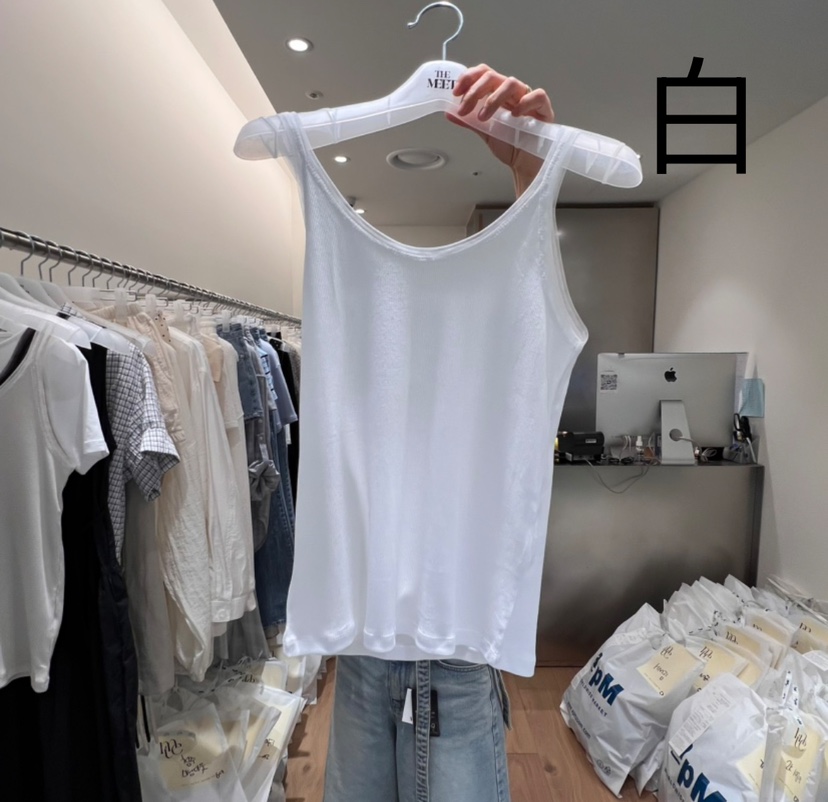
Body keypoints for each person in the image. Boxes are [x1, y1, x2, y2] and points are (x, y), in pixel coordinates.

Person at [319, 65, 556, 802]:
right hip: (363, 646)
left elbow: (536, 320)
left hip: (458, 649)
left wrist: (533, 177)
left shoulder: (501, 324)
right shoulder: (340, 292)